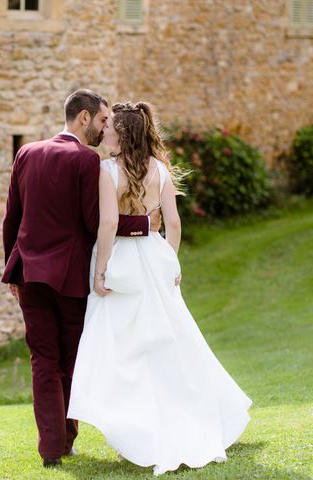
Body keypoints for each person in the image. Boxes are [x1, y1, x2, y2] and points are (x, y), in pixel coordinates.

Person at [67, 101, 252, 475]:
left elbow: (106, 226)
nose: (104, 133)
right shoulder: (161, 172)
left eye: (110, 130)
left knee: (123, 351)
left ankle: (138, 432)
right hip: (153, 258)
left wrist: (100, 272)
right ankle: (166, 423)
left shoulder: (107, 171)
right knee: (170, 344)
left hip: (120, 258)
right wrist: (169, 262)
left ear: (123, 135)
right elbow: (175, 225)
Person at [1, 89, 161, 467]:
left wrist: (11, 267)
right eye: (103, 120)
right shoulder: (86, 161)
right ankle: (67, 438)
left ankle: (51, 449)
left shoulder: (26, 152)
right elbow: (96, 222)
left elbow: (12, 216)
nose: (106, 127)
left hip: (29, 274)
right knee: (71, 360)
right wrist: (144, 225)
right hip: (71, 278)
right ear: (84, 117)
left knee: (42, 359)